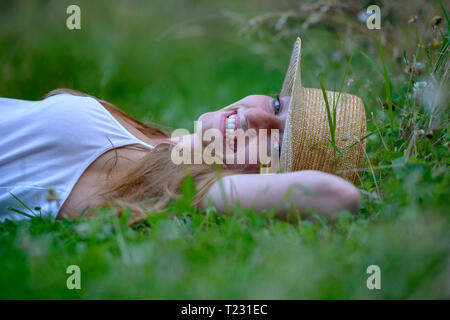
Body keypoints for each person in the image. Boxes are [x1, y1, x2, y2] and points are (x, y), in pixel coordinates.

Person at [0, 38, 366, 224]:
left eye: (276, 142)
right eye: (276, 106)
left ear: (268, 177)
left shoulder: (185, 189)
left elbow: (336, 196)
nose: (257, 120)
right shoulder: (157, 144)